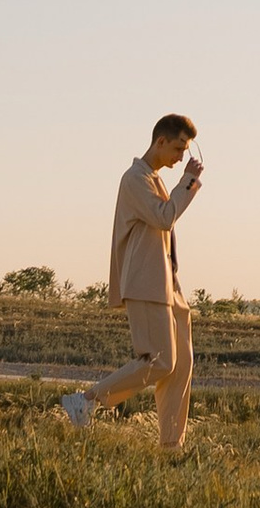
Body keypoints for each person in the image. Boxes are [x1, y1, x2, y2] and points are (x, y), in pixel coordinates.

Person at [59, 113, 204, 455]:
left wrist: (184, 183)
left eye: (185, 150)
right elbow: (163, 218)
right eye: (178, 148)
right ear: (160, 141)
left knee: (181, 364)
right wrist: (188, 182)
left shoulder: (152, 178)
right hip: (145, 283)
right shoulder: (134, 179)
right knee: (158, 361)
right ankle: (85, 400)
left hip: (169, 285)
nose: (181, 156)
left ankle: (172, 445)